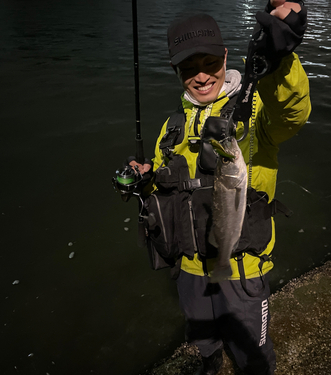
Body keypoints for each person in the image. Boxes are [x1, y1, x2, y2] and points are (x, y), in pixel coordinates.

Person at [130, 1, 310, 374]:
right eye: (188, 68)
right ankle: (210, 360)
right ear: (176, 71)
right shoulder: (172, 126)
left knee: (252, 352)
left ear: (225, 56)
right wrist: (148, 180)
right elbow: (169, 185)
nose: (201, 76)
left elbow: (293, 112)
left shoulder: (256, 108)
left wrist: (279, 63)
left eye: (209, 63)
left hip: (241, 265)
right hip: (190, 265)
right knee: (202, 333)